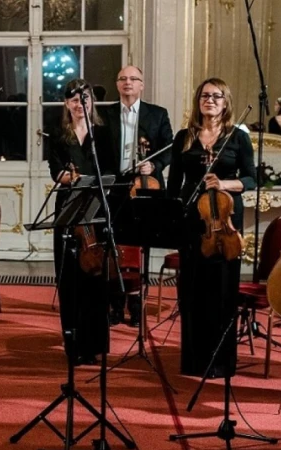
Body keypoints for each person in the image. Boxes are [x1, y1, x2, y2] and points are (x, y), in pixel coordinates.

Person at [167, 77, 256, 378]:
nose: (210, 100)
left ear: (225, 102)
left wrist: (225, 184)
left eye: (217, 96)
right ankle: (193, 360)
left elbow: (251, 178)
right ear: (198, 101)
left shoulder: (237, 137)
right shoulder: (184, 137)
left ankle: (220, 362)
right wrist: (173, 214)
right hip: (194, 220)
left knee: (222, 291)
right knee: (192, 290)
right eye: (205, 95)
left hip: (226, 220)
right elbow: (174, 182)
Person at [99, 65, 174, 327]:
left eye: (133, 79)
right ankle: (115, 305)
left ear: (142, 84)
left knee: (141, 246)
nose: (128, 82)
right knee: (115, 247)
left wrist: (154, 165)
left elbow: (169, 148)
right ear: (117, 84)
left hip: (146, 187)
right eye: (122, 78)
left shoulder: (157, 114)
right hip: (116, 187)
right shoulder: (105, 114)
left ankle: (137, 304)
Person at [47, 78, 113, 366]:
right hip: (70, 208)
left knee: (96, 279)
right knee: (70, 280)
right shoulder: (58, 134)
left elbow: (111, 169)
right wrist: (70, 178)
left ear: (91, 102)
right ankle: (73, 345)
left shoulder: (103, 133)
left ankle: (94, 345)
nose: (79, 104)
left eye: (84, 98)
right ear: (66, 103)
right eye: (74, 99)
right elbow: (56, 172)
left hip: (97, 208)